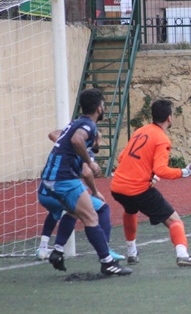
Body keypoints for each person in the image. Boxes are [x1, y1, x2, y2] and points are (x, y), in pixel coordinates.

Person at [40, 88, 132, 276]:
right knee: (92, 217)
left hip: (50, 179)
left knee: (74, 212)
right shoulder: (88, 125)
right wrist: (90, 162)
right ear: (99, 108)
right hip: (63, 179)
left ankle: (57, 251)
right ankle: (107, 263)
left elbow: (65, 138)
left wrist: (92, 146)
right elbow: (76, 140)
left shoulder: (76, 123)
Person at [111, 99, 191, 268]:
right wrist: (184, 172)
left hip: (117, 187)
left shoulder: (141, 130)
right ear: (169, 118)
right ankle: (182, 255)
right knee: (174, 220)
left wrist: (150, 175)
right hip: (137, 189)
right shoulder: (162, 139)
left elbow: (122, 158)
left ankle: (131, 252)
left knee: (130, 210)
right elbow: (161, 169)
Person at [36, 131, 124, 263]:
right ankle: (106, 250)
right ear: (93, 140)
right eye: (99, 139)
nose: (100, 142)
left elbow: (52, 134)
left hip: (44, 193)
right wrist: (95, 191)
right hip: (60, 189)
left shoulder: (65, 145)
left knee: (58, 211)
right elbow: (86, 173)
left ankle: (43, 248)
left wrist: (69, 133)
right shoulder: (86, 152)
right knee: (102, 208)